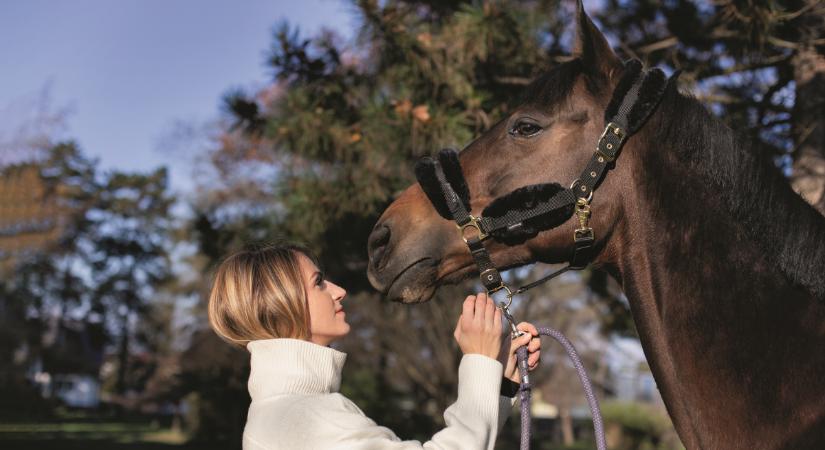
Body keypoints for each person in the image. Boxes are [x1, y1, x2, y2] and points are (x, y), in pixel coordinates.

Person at [208, 241, 542, 449]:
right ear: (281, 303)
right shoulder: (305, 416)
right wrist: (479, 360)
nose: (338, 290)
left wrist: (500, 389)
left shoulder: (286, 412)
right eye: (319, 283)